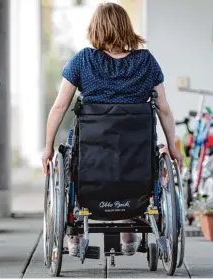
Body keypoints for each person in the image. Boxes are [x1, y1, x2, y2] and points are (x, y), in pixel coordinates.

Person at [41, 2, 182, 257]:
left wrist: (48, 148)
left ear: (96, 29)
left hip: (91, 155)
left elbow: (60, 106)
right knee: (140, 156)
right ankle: (129, 227)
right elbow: (164, 109)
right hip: (136, 152)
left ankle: (76, 236)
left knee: (72, 158)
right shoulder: (147, 62)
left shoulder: (83, 60)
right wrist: (173, 147)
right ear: (126, 28)